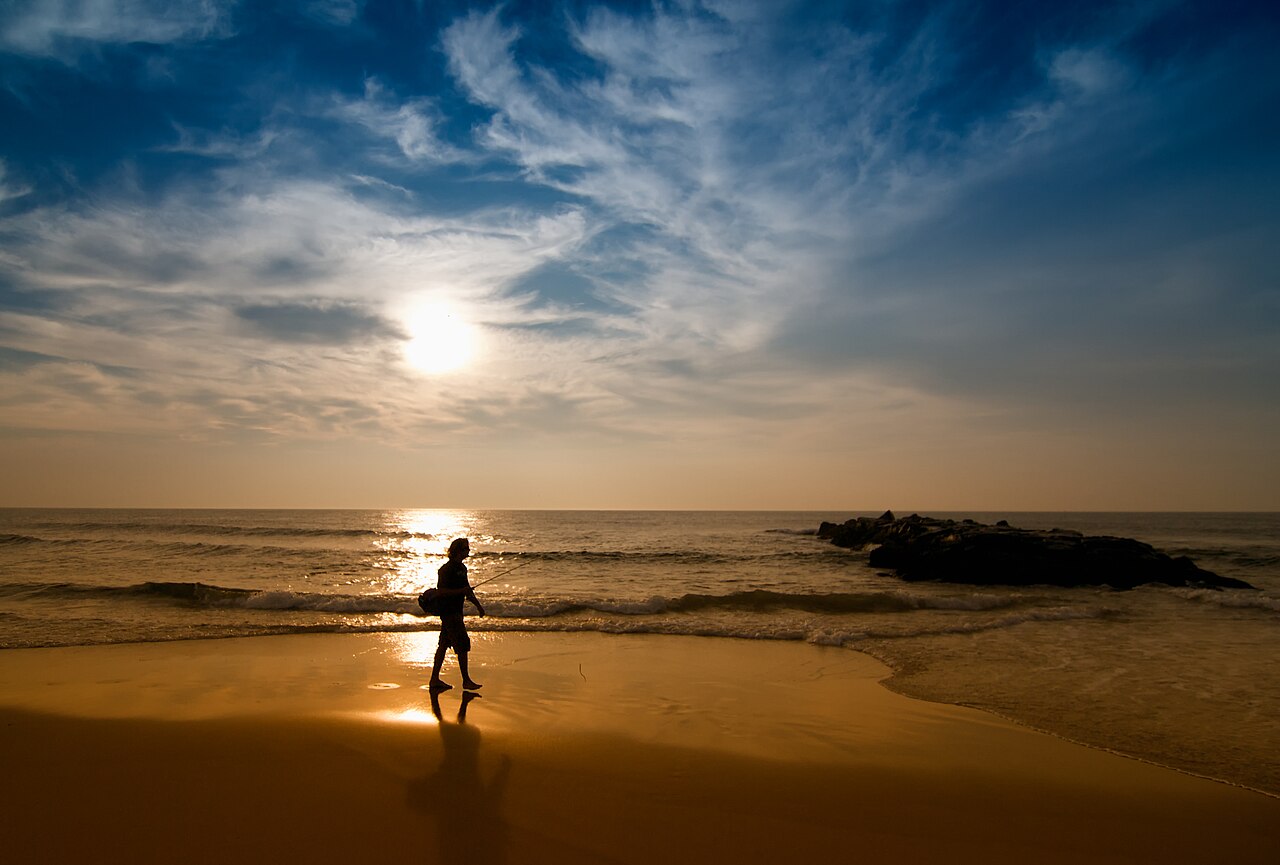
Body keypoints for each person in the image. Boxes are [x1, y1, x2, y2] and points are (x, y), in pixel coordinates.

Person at [429, 537, 485, 692]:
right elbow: (442, 591)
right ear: (458, 550)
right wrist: (461, 591)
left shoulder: (462, 568)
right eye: (466, 548)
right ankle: (466, 681)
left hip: (457, 612)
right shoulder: (445, 570)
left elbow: (467, 590)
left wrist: (479, 606)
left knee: (443, 645)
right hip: (448, 612)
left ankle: (434, 679)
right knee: (462, 645)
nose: (468, 551)